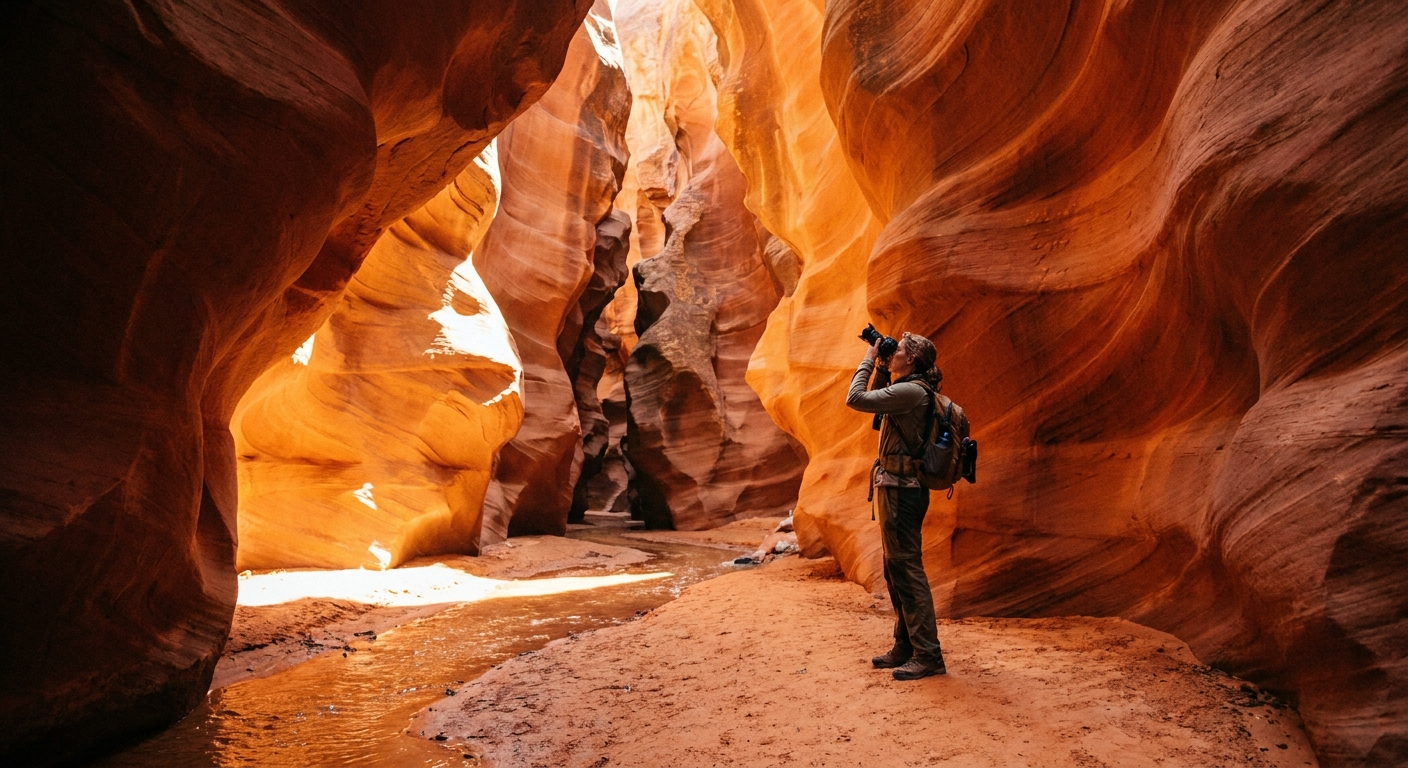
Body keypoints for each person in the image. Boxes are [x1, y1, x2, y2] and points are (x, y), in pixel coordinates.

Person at [845, 331, 947, 680]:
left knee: (908, 569)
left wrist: (871, 358)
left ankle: (929, 655)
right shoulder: (909, 389)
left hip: (903, 491)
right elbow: (877, 413)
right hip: (896, 488)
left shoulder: (911, 392)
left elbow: (856, 398)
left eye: (899, 350)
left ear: (913, 359)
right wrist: (885, 368)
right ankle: (905, 646)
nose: (894, 352)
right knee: (896, 570)